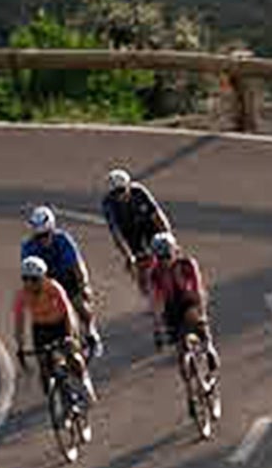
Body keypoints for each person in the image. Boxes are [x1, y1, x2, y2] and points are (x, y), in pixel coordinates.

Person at [13, 254, 95, 407]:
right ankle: (56, 399)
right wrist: (20, 347)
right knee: (44, 366)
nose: (30, 283)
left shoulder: (53, 287)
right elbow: (19, 322)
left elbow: (68, 311)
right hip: (41, 328)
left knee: (72, 356)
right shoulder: (22, 295)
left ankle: (84, 382)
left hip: (60, 323)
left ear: (43, 277)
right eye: (26, 279)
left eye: (34, 279)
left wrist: (70, 336)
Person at [22, 205, 102, 357]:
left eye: (46, 235)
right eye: (39, 237)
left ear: (52, 230)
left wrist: (84, 286)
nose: (43, 240)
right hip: (44, 283)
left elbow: (77, 266)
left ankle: (92, 333)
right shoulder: (28, 247)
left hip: (66, 278)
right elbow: (27, 277)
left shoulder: (63, 240)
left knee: (79, 303)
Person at [139, 231, 219, 373]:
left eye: (167, 256)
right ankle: (191, 389)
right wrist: (157, 329)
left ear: (175, 252)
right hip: (172, 306)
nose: (165, 261)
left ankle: (208, 347)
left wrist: (201, 313)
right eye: (160, 257)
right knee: (181, 350)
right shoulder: (154, 274)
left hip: (189, 299)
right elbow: (155, 301)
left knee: (193, 316)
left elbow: (197, 289)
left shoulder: (187, 264)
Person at [101, 167, 172, 272]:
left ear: (129, 186)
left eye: (122, 190)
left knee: (163, 250)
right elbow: (117, 234)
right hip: (129, 230)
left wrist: (168, 237)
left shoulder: (139, 192)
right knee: (140, 263)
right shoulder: (108, 204)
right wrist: (128, 256)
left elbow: (157, 215)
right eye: (114, 193)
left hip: (147, 224)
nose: (119, 196)